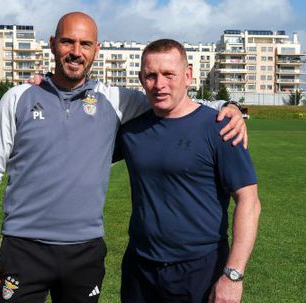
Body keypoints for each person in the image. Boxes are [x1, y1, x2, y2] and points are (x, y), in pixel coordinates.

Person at [0, 12, 247, 303]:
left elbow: (172, 99)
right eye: (68, 42)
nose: (76, 52)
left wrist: (227, 106)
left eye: (85, 44)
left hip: (84, 252)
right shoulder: (18, 98)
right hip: (23, 248)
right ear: (52, 44)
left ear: (96, 50)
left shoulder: (114, 101)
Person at [114, 39, 261, 303]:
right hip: (140, 269)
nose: (159, 85)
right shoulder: (130, 131)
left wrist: (233, 275)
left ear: (188, 75)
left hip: (199, 270)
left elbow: (249, 201)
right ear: (141, 78)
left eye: (169, 74)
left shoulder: (220, 128)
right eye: (151, 75)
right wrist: (45, 86)